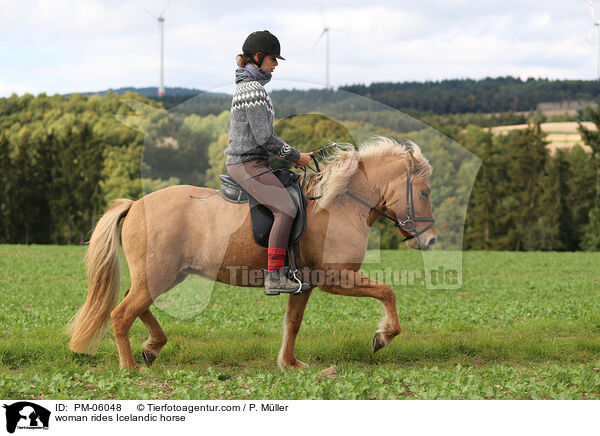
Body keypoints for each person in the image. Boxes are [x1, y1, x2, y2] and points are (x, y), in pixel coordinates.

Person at [225, 30, 312, 295]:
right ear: (258, 57)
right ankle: (275, 275)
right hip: (247, 164)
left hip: (255, 162)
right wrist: (296, 156)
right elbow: (264, 137)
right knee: (285, 208)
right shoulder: (252, 90)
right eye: (273, 58)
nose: (275, 64)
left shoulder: (251, 87)